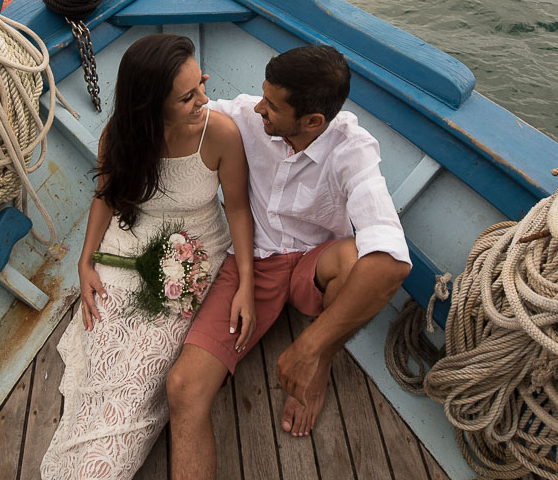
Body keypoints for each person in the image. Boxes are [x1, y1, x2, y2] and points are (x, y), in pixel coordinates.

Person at [166, 44, 411, 480]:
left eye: (272, 106)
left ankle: (322, 364)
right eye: (263, 96)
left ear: (313, 121)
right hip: (252, 262)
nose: (259, 108)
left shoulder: (353, 150)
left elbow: (393, 263)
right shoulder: (247, 116)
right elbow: (179, 112)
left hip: (313, 266)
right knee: (183, 389)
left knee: (360, 259)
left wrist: (311, 350)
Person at [40, 33, 256, 480]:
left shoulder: (219, 134)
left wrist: (246, 286)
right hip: (126, 246)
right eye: (187, 97)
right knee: (102, 359)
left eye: (201, 84)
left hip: (192, 257)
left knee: (141, 375)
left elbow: (237, 209)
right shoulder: (119, 135)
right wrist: (85, 261)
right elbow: (106, 196)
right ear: (151, 105)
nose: (203, 99)